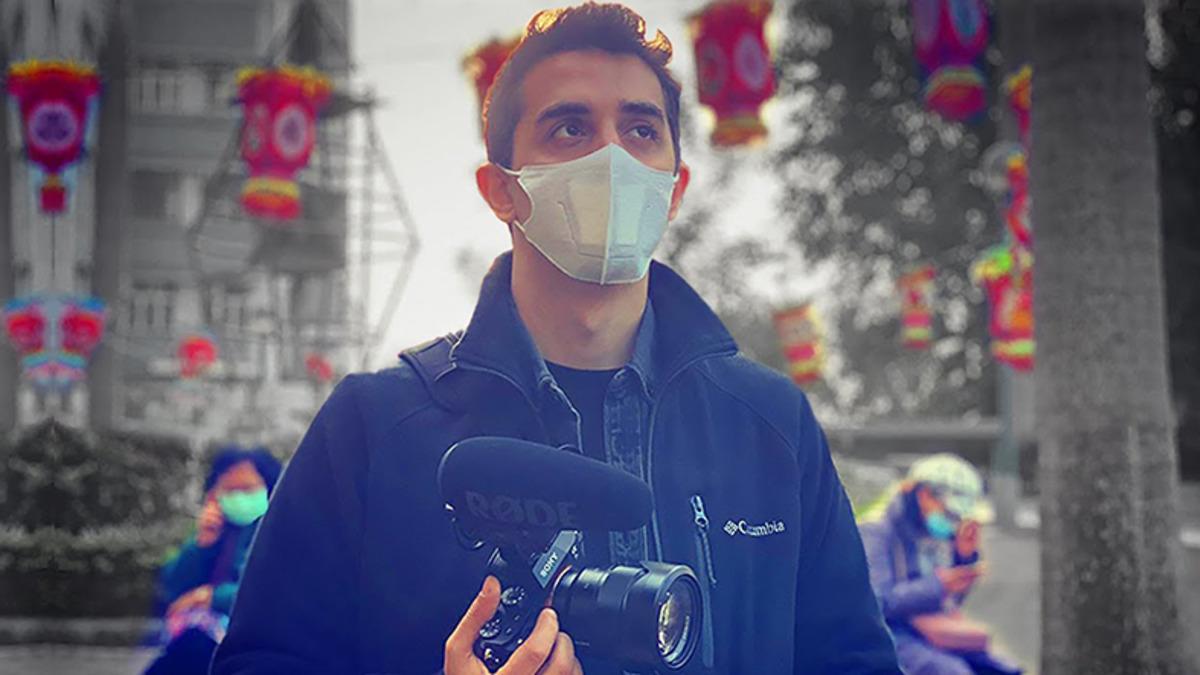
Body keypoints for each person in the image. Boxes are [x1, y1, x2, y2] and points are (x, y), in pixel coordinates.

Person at [212, 4, 901, 674]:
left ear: (674, 188)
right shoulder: (373, 429)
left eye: (641, 130)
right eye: (570, 129)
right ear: (500, 190)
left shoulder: (770, 426)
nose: (611, 156)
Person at [858, 453, 1021, 675]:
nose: (953, 523)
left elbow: (950, 603)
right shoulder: (876, 535)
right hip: (889, 636)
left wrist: (964, 558)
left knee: (1005, 671)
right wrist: (939, 585)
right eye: (950, 513)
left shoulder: (936, 537)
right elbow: (877, 602)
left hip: (931, 631)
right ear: (923, 495)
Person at [143, 446, 282, 675]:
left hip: (257, 638)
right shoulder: (217, 529)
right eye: (230, 490)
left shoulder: (277, 531)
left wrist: (210, 597)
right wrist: (202, 544)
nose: (239, 498)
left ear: (270, 487)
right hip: (208, 634)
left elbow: (272, 594)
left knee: (193, 648)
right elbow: (172, 586)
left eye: (247, 489)